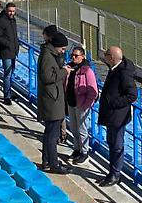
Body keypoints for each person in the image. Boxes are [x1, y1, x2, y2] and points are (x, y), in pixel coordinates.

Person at [97, 45, 138, 187]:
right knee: (112, 143)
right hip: (111, 115)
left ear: (112, 58)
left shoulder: (123, 72)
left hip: (117, 117)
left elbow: (132, 95)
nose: (104, 56)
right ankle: (112, 172)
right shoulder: (115, 68)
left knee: (116, 145)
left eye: (106, 54)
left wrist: (113, 103)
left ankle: (115, 174)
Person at [38, 30, 70, 173]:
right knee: (52, 135)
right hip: (52, 100)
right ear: (56, 46)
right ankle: (53, 164)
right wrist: (64, 72)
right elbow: (47, 77)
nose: (63, 51)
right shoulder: (47, 56)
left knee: (49, 133)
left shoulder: (49, 54)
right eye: (62, 48)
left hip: (52, 98)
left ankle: (47, 161)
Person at [65, 46, 99, 165]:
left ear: (83, 56)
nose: (73, 57)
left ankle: (84, 152)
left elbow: (93, 91)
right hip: (71, 102)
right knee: (74, 128)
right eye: (72, 55)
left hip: (81, 105)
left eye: (76, 55)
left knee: (82, 129)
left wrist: (85, 105)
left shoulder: (87, 71)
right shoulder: (69, 68)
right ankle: (77, 149)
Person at [0, 2, 20, 104]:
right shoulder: (2, 21)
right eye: (10, 11)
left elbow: (14, 35)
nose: (11, 13)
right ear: (6, 10)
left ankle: (9, 92)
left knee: (11, 73)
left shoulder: (13, 20)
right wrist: (8, 44)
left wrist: (16, 46)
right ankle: (7, 96)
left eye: (13, 11)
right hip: (6, 51)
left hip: (13, 51)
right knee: (7, 74)